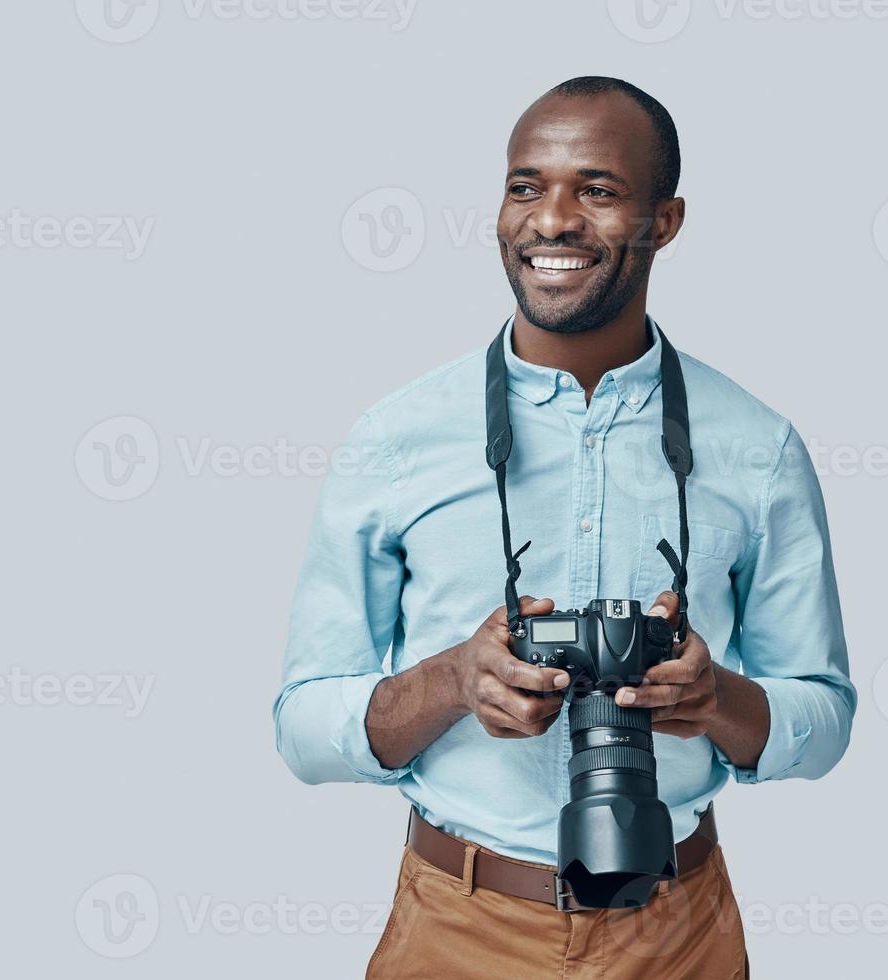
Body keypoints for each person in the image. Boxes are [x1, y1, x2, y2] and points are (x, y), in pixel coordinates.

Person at [273, 76, 856, 979]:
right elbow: (303, 731)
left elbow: (825, 717)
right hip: (454, 926)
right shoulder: (394, 439)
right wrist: (454, 680)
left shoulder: (756, 446)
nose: (551, 220)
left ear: (665, 221)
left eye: (597, 190)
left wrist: (714, 700)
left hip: (680, 933)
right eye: (524, 187)